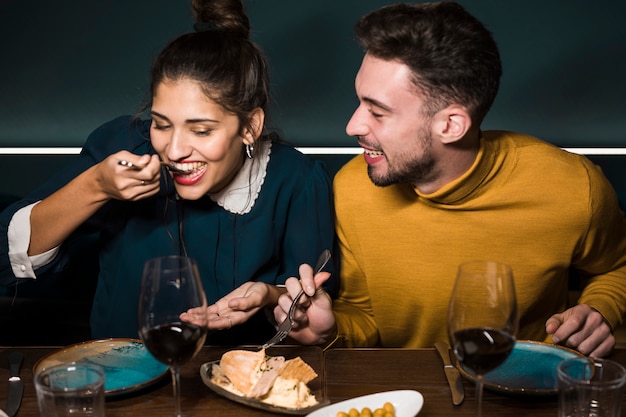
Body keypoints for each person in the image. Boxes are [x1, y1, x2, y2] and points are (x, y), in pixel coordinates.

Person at [274, 1, 626, 358]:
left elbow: (618, 268)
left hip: (531, 391)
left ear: (451, 125)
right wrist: (329, 330)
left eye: (377, 112)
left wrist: (601, 310)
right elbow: (366, 316)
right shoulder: (352, 187)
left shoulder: (574, 187)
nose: (353, 126)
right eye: (359, 102)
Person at [0, 0, 335, 345]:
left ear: (250, 126)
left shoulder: (297, 178)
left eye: (201, 130)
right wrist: (96, 186)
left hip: (242, 382)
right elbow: (8, 255)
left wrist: (268, 293)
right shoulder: (123, 146)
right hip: (122, 377)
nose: (174, 151)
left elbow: (312, 299)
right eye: (162, 124)